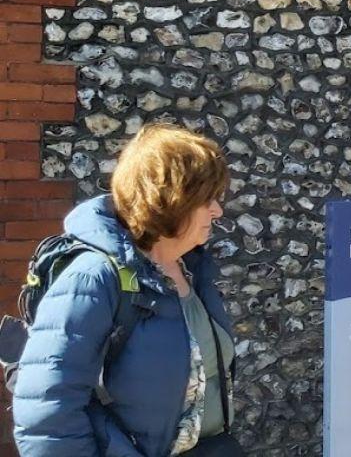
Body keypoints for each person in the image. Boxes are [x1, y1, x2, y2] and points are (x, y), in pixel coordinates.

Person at [13, 123, 239, 456]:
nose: (217, 211)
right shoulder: (93, 277)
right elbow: (47, 414)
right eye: (206, 200)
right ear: (170, 199)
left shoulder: (193, 268)